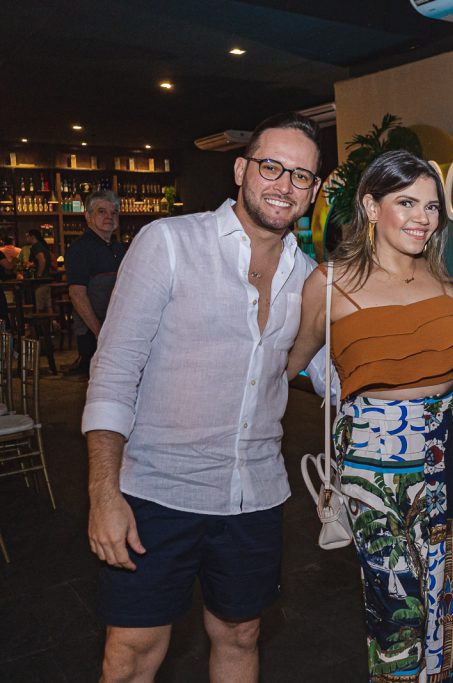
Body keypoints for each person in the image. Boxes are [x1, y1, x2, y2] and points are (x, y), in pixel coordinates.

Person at [84, 112, 322, 682]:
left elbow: (337, 376)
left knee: (240, 634)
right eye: (272, 166)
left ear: (314, 192)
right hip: (157, 492)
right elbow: (114, 371)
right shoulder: (168, 243)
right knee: (133, 650)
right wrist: (103, 494)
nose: (284, 185)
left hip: (255, 495)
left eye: (301, 176)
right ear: (241, 169)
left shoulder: (310, 277)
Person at [287, 150, 453, 682]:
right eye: (406, 202)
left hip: (449, 455)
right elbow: (291, 363)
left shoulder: (442, 278)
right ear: (371, 206)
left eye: (432, 206)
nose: (422, 217)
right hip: (376, 468)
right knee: (396, 610)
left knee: (448, 599)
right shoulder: (328, 283)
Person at [65, 189, 127, 377]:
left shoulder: (119, 248)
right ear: (88, 216)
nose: (109, 216)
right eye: (101, 211)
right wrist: (100, 333)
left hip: (119, 329)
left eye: (114, 212)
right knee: (99, 387)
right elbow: (77, 294)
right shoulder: (80, 249)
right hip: (94, 334)